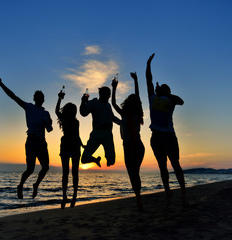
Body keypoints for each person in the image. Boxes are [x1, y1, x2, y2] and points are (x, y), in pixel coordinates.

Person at [0, 78, 53, 199]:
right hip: (31, 140)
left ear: (43, 99)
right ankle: (20, 185)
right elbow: (13, 97)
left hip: (41, 142)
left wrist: (47, 122)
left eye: (41, 97)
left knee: (45, 167)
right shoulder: (29, 107)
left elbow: (50, 129)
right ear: (34, 98)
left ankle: (36, 184)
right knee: (30, 169)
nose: (39, 98)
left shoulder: (46, 113)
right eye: (37, 96)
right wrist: (1, 84)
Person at [146, 53, 187, 207]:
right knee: (162, 167)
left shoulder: (170, 100)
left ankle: (183, 194)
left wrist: (167, 94)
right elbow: (148, 80)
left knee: (175, 164)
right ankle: (168, 193)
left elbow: (181, 101)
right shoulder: (152, 98)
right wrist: (148, 64)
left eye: (166, 88)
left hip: (169, 136)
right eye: (162, 87)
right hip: (156, 137)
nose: (163, 87)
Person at [111, 72, 145, 210]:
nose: (131, 101)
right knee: (132, 173)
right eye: (130, 100)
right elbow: (113, 103)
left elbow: (138, 97)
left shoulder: (138, 113)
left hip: (137, 145)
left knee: (134, 171)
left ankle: (138, 200)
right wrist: (114, 88)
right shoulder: (123, 114)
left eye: (133, 100)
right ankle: (138, 198)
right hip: (126, 145)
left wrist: (136, 81)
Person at [55, 89, 84, 209]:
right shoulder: (68, 120)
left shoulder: (73, 121)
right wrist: (59, 99)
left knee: (69, 173)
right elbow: (57, 111)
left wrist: (82, 145)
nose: (74, 112)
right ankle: (67, 196)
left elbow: (78, 135)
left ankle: (69, 196)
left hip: (71, 145)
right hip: (69, 145)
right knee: (69, 173)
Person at [80, 86, 121, 167]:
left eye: (109, 94)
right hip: (97, 133)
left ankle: (107, 159)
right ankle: (95, 160)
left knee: (112, 161)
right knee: (84, 159)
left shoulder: (108, 105)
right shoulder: (94, 102)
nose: (109, 96)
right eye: (108, 94)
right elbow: (83, 113)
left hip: (108, 134)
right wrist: (83, 102)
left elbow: (112, 117)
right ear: (101, 94)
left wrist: (123, 123)